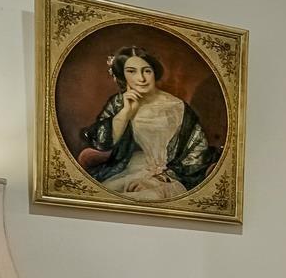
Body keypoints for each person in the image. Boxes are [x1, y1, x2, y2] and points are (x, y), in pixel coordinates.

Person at [76, 46, 216, 203]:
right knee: (101, 196)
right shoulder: (118, 103)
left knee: (150, 198)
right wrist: (126, 112)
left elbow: (197, 152)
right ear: (123, 76)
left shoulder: (178, 107)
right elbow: (102, 142)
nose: (141, 78)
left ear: (154, 72)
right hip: (128, 170)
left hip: (170, 178)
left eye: (146, 71)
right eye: (131, 71)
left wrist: (165, 177)